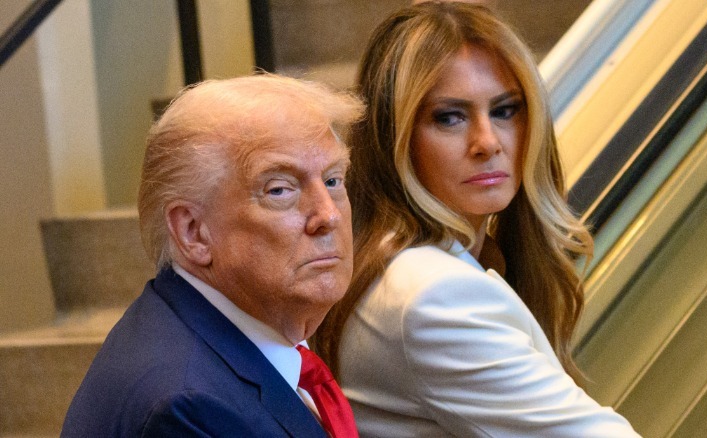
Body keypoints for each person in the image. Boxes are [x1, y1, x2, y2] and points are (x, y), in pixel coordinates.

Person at [312, 2, 640, 437]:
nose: (487, 142)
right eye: (450, 117)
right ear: (396, 137)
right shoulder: (433, 295)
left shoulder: (409, 267)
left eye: (505, 110)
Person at [62, 74, 364, 437]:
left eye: (333, 181)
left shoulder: (219, 329)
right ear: (193, 232)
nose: (328, 215)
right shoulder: (186, 408)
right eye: (280, 189)